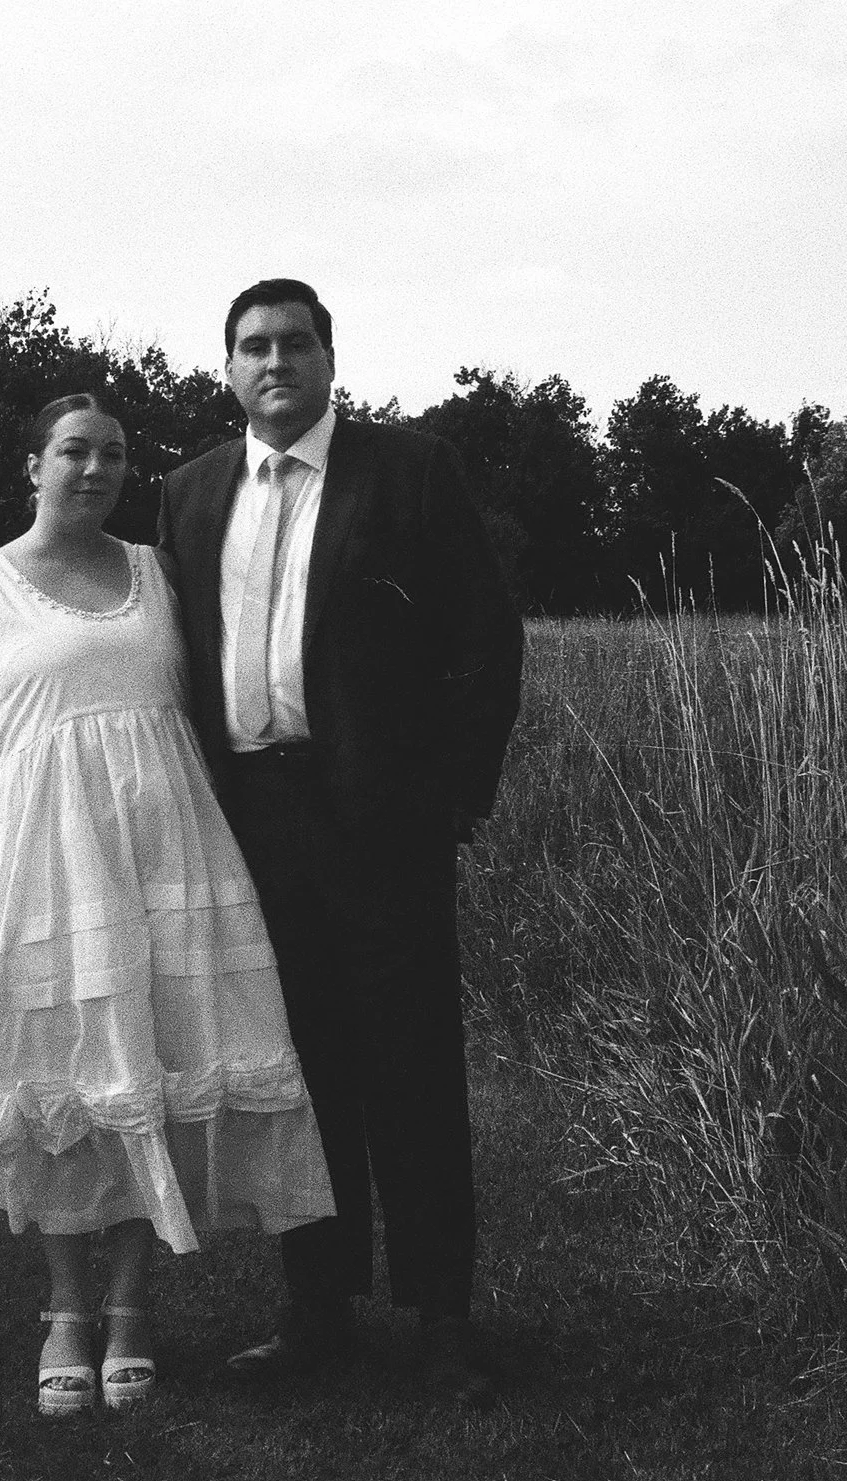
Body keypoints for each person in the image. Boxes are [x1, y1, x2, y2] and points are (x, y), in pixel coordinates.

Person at [0, 392, 337, 1417]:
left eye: (111, 453)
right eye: (73, 451)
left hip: (165, 852)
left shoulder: (158, 574)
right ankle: (66, 1309)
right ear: (33, 465)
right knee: (55, 1075)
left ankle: (134, 1306)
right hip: (38, 858)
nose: (95, 468)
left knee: (150, 1062)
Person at [156, 278, 523, 1406]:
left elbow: (485, 637)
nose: (275, 361)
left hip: (380, 819)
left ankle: (442, 1320)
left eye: (295, 343)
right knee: (292, 1072)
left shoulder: (408, 472)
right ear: (226, 369)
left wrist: (451, 798)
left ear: (328, 357)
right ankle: (315, 1309)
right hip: (249, 822)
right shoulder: (189, 492)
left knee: (408, 1062)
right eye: (252, 347)